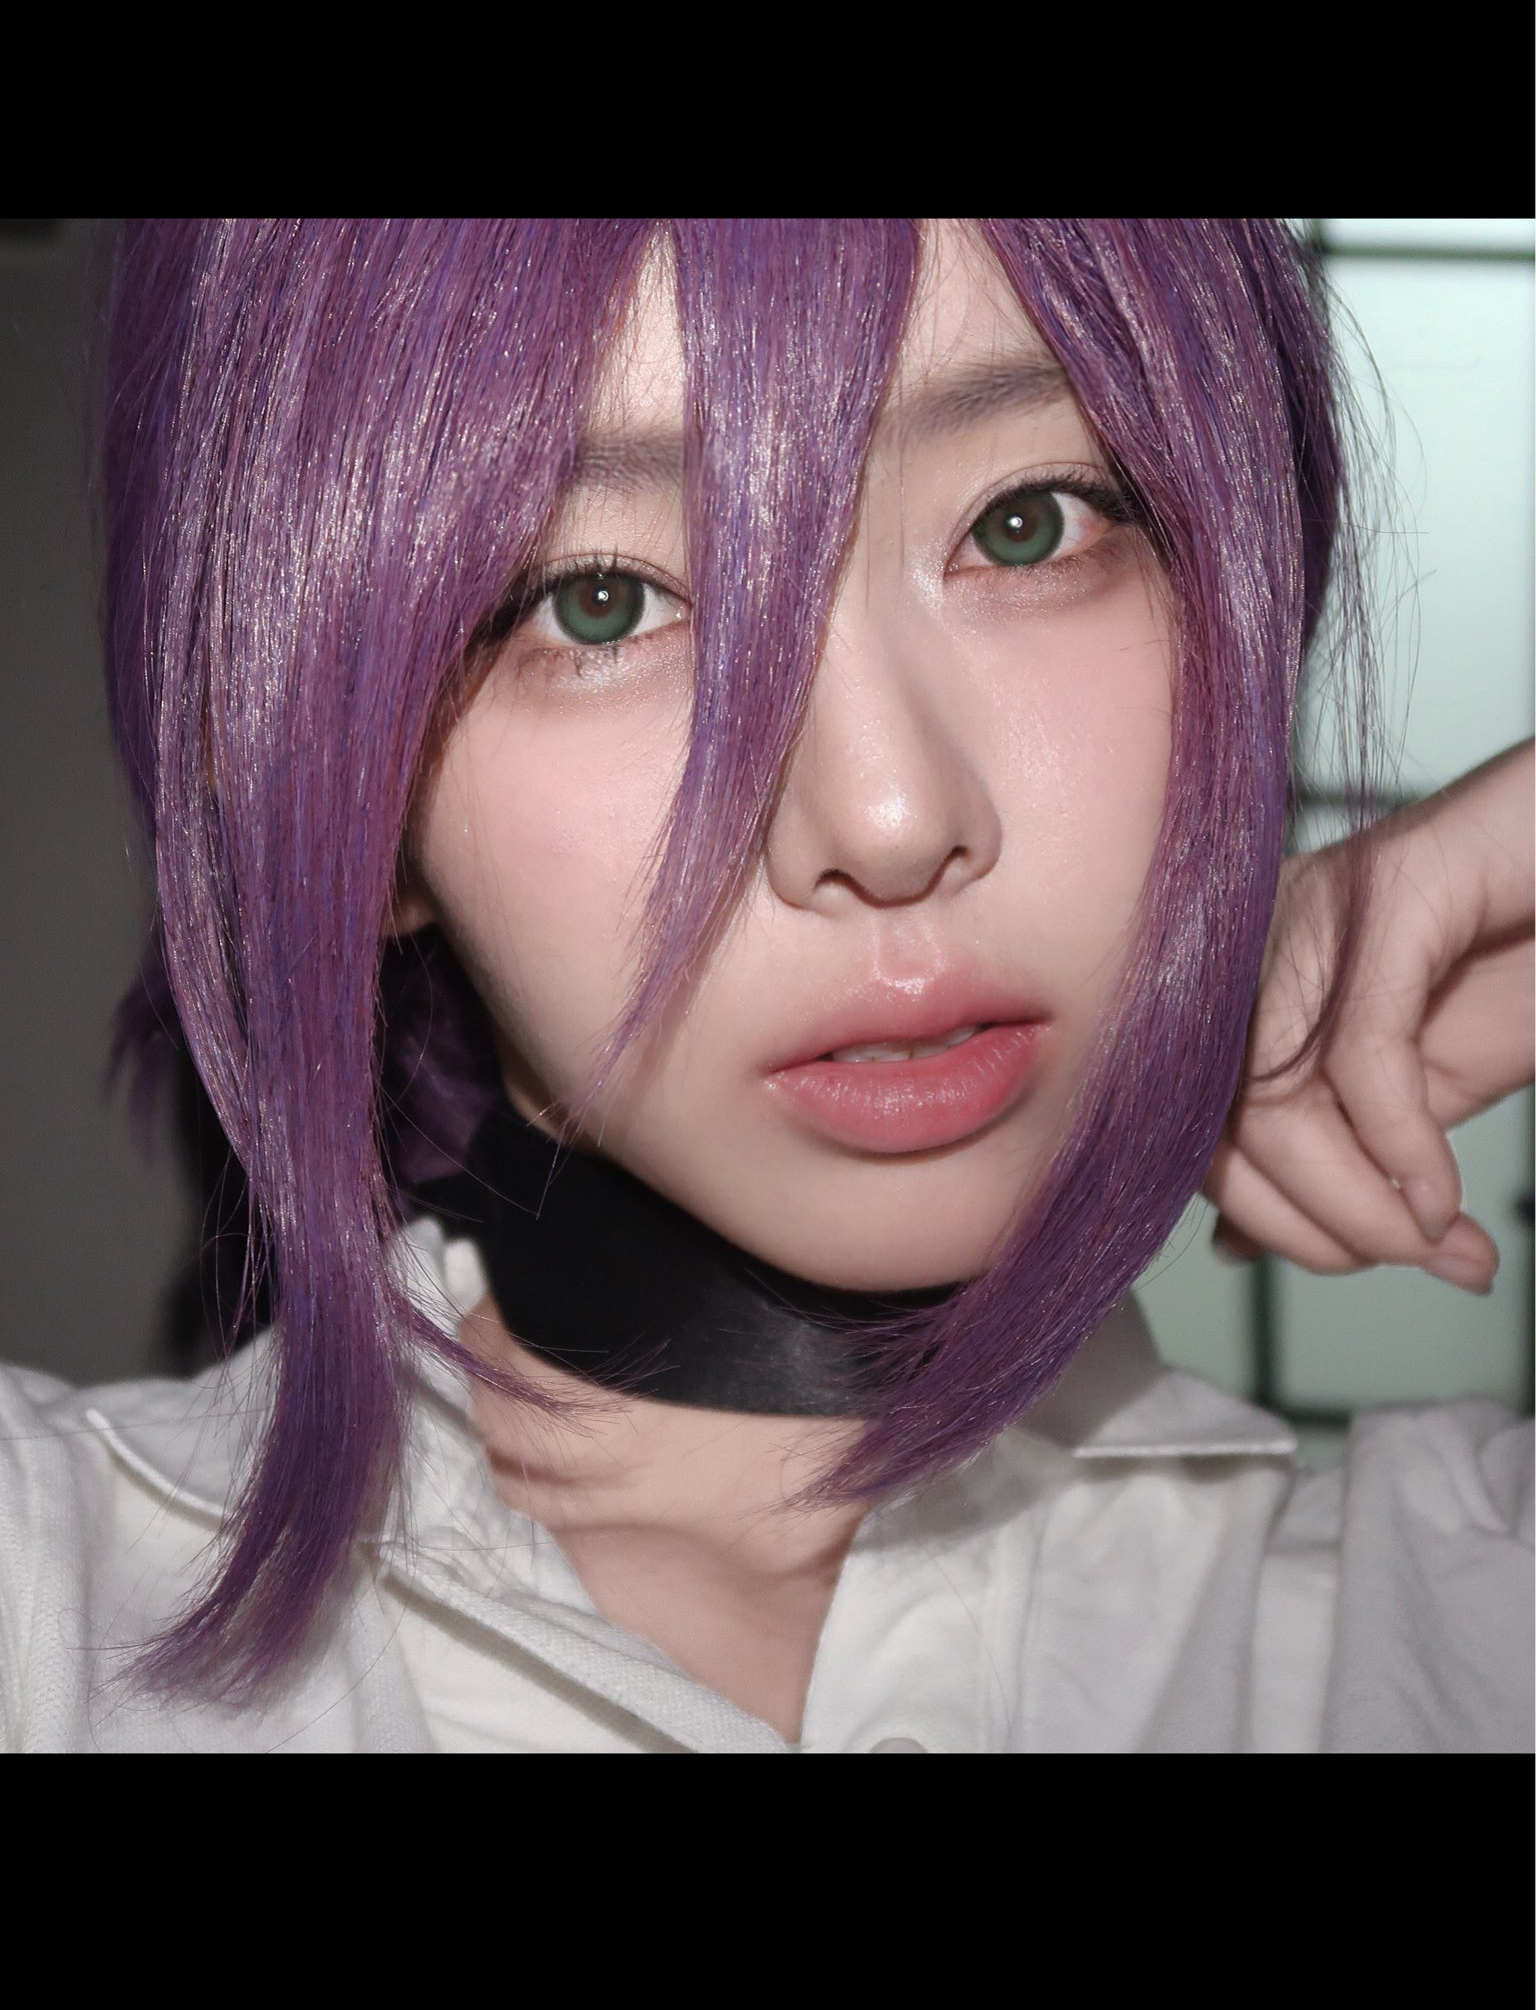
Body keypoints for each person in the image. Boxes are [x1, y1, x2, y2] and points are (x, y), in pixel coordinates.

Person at [0, 220, 1528, 1754]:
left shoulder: (1456, 1612)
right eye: (597, 602)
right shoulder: (47, 1609)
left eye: (1027, 524)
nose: (890, 819)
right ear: (342, 799)